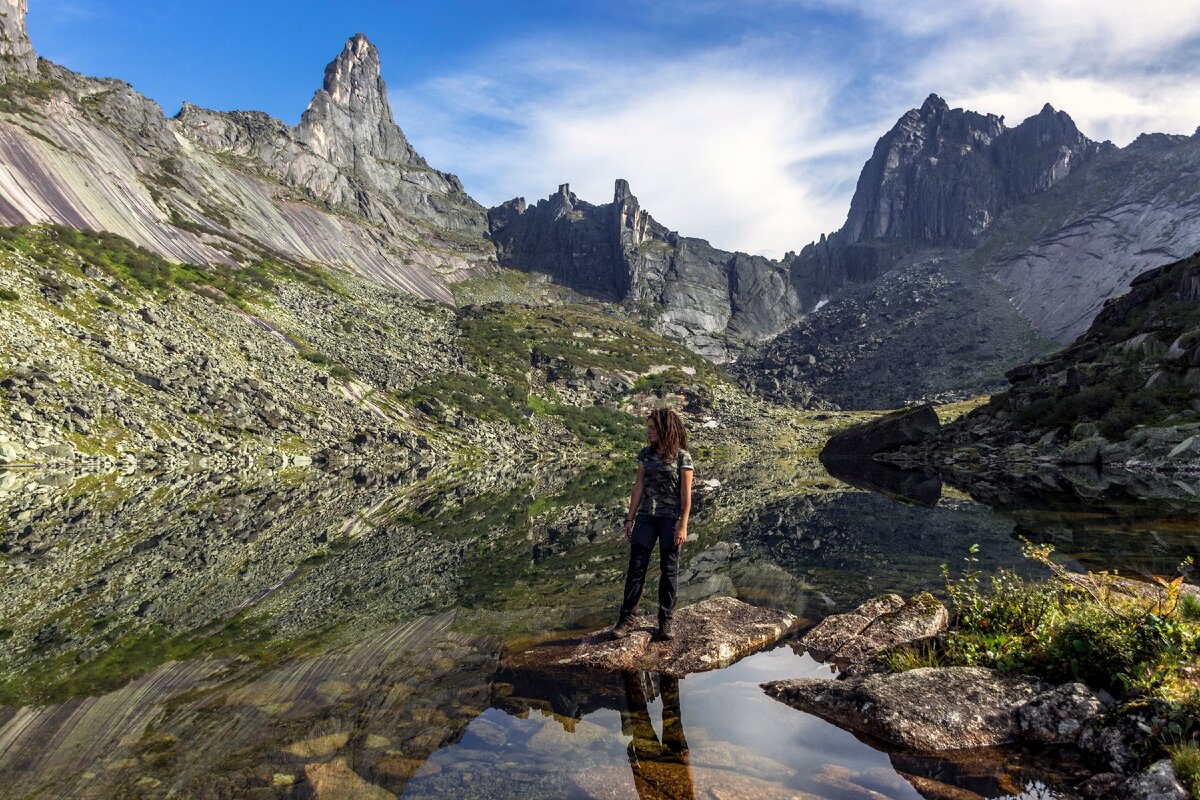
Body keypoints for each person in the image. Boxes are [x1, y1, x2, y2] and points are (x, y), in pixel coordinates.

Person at [613, 407, 694, 641]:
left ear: (664, 428)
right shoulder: (645, 454)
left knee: (669, 571)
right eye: (647, 427)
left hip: (670, 518)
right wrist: (630, 518)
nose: (648, 431)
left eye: (652, 428)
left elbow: (686, 495)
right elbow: (638, 487)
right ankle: (627, 620)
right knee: (636, 567)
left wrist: (683, 525)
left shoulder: (682, 457)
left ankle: (665, 621)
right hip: (646, 516)